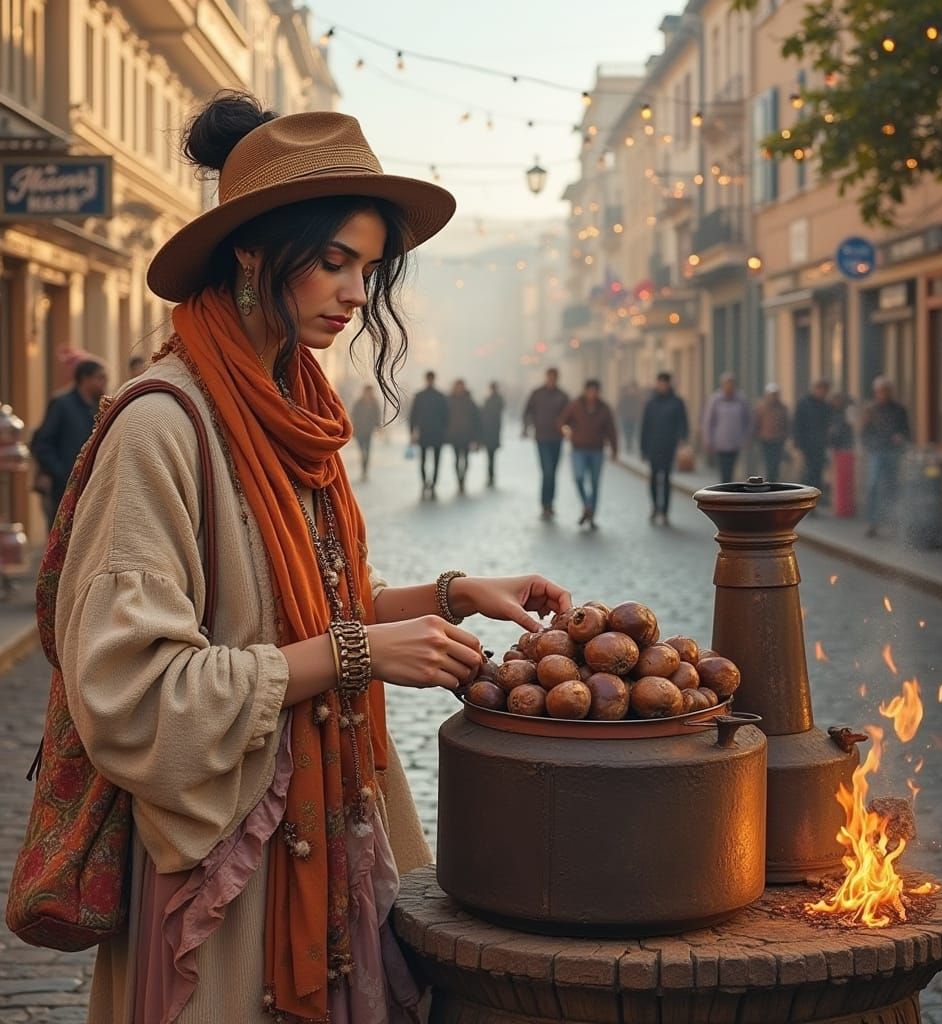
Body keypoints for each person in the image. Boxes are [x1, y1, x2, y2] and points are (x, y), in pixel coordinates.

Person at [46, 93, 572, 1024]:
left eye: (367, 268)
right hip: (225, 872)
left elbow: (315, 604)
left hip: (329, 826)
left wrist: (450, 597)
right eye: (332, 263)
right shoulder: (164, 427)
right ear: (252, 250)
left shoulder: (291, 418)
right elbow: (133, 694)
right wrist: (359, 655)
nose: (354, 294)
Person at [30, 358, 108, 525]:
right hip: (63, 491)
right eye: (100, 378)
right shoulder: (62, 404)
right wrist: (61, 473)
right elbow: (42, 444)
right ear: (85, 379)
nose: (104, 383)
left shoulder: (100, 407)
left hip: (91, 489)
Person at [558, 379, 618, 529]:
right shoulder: (576, 405)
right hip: (579, 449)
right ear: (585, 391)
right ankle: (587, 505)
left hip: (597, 450)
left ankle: (591, 514)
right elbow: (561, 422)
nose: (592, 394)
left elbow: (611, 429)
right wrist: (568, 433)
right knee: (578, 477)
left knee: (595, 483)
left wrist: (615, 449)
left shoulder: (604, 408)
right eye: (590, 391)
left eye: (595, 391)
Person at [862, 376, 911, 537]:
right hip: (876, 452)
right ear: (876, 392)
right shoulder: (870, 410)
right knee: (873, 485)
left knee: (892, 486)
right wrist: (870, 445)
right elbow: (864, 433)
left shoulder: (899, 410)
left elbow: (907, 431)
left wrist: (901, 437)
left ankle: (892, 521)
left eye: (886, 391)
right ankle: (872, 522)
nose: (883, 394)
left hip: (893, 452)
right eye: (880, 391)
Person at [640, 372, 689, 525]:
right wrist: (643, 449)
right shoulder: (651, 403)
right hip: (653, 447)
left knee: (667, 478)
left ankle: (665, 511)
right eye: (660, 383)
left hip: (669, 447)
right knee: (654, 478)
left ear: (668, 384)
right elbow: (645, 427)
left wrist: (682, 438)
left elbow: (683, 423)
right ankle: (655, 506)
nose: (662, 386)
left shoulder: (677, 402)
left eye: (664, 383)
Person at [522, 367, 569, 520]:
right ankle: (544, 503)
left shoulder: (562, 396)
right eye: (549, 377)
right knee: (547, 471)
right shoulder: (537, 394)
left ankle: (550, 502)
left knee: (553, 472)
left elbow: (570, 414)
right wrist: (526, 426)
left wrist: (567, 429)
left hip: (557, 438)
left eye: (554, 378)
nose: (551, 380)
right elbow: (528, 411)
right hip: (542, 438)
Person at [701, 372, 751, 483]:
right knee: (724, 470)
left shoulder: (741, 399)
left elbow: (747, 420)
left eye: (731, 384)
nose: (729, 387)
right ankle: (724, 489)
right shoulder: (715, 399)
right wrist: (708, 440)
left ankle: (729, 489)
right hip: (720, 442)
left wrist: (747, 438)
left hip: (735, 441)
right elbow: (708, 421)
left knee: (732, 468)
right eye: (726, 384)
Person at [409, 369, 448, 499]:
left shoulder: (420, 396)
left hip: (428, 434)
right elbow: (413, 416)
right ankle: (429, 484)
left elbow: (413, 417)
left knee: (427, 461)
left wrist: (412, 432)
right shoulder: (439, 396)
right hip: (433, 434)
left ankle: (428, 484)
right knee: (430, 461)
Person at [793, 379, 831, 493]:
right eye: (821, 390)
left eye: (825, 391)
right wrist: (798, 443)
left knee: (817, 473)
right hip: (806, 445)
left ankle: (814, 499)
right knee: (808, 473)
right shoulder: (804, 404)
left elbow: (827, 425)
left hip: (820, 445)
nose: (823, 393)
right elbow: (797, 424)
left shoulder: (825, 406)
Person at [446, 378, 481, 495]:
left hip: (467, 436)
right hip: (455, 436)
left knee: (465, 459)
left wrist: (476, 438)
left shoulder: (469, 401)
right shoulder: (449, 400)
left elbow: (477, 419)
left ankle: (463, 480)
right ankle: (459, 480)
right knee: (456, 460)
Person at [827, 391, 856, 518]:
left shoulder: (847, 412)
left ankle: (845, 508)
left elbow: (852, 427)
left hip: (845, 449)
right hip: (836, 448)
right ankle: (839, 506)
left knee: (844, 481)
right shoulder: (830, 412)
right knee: (836, 480)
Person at [753, 383, 789, 482]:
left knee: (776, 463)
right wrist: (756, 436)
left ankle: (774, 481)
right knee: (768, 463)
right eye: (771, 395)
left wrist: (785, 435)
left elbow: (786, 423)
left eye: (775, 395)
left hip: (778, 439)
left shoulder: (782, 408)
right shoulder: (761, 407)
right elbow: (756, 422)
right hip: (765, 440)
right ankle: (769, 481)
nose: (773, 397)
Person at [351, 383, 381, 481]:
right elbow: (353, 416)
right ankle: (364, 467)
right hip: (359, 431)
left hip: (368, 431)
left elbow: (377, 415)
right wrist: (353, 429)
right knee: (362, 452)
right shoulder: (358, 403)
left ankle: (365, 471)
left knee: (367, 451)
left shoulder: (374, 403)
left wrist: (378, 426)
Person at [480, 381, 504, 487]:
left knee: (491, 456)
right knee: (491, 456)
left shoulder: (493, 400)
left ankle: (490, 476)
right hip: (491, 432)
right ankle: (490, 475)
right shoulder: (494, 400)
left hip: (491, 431)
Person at [617, 381, 644, 454]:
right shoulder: (624, 397)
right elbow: (620, 406)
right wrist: (620, 414)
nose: (632, 390)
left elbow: (641, 407)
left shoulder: (639, 398)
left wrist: (639, 415)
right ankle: (628, 445)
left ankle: (632, 446)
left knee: (634, 433)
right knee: (627, 433)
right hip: (626, 418)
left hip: (635, 418)